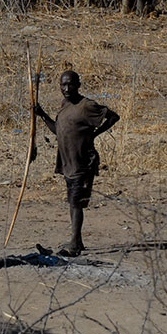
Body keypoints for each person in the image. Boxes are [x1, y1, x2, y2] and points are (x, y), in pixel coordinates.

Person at [34, 70, 119, 257]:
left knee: (76, 203)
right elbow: (59, 130)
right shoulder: (65, 105)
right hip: (68, 163)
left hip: (83, 162)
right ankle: (77, 240)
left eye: (70, 84)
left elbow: (113, 117)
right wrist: (42, 115)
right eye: (62, 85)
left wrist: (95, 133)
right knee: (73, 201)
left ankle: (74, 245)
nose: (66, 88)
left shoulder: (86, 106)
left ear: (78, 85)